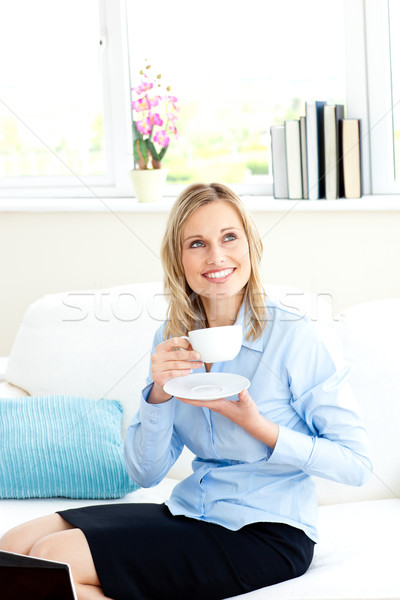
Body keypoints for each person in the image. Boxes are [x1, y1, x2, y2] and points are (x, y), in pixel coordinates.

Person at [0, 183, 372, 600]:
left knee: (56, 555)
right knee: (13, 548)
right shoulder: (173, 337)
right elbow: (147, 473)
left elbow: (356, 464)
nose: (216, 257)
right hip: (192, 509)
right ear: (179, 259)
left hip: (268, 531)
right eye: (197, 243)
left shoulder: (294, 337)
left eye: (229, 237)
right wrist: (158, 394)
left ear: (252, 246)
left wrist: (260, 427)